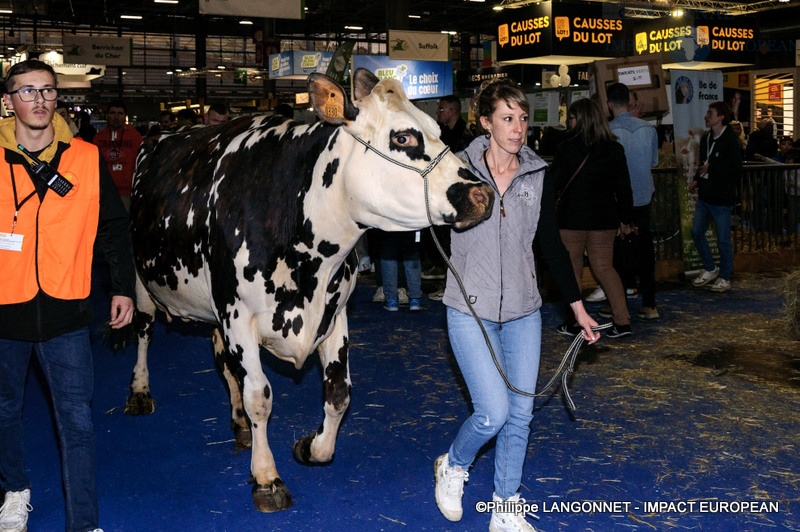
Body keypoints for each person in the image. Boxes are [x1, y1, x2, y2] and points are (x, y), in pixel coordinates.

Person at [434, 78, 598, 532]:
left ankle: (506, 507)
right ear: (485, 123)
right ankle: (453, 464)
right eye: (507, 118)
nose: (518, 127)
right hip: (470, 308)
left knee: (521, 414)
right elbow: (432, 226)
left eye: (523, 118)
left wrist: (576, 306)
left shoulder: (536, 173)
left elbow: (550, 245)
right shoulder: (455, 170)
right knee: (493, 412)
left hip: (525, 311)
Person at [0, 59, 135, 532]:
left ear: (58, 98)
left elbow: (113, 228)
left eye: (48, 91)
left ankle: (84, 524)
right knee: (3, 414)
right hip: (4, 312)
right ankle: (14, 492)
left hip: (68, 311)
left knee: (77, 423)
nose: (39, 101)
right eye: (27, 91)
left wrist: (122, 287)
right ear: (8, 100)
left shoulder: (85, 156)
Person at [552, 98, 634, 338]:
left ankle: (575, 322)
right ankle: (623, 321)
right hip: (604, 219)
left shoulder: (567, 148)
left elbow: (554, 184)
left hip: (572, 219)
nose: (569, 122)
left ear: (581, 119)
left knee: (573, 271)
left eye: (572, 117)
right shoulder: (614, 149)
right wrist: (626, 217)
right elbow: (624, 188)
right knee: (605, 269)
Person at [603, 82, 660, 320]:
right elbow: (654, 162)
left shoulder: (607, 131)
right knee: (645, 249)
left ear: (608, 104)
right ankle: (650, 304)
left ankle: (619, 306)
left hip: (618, 201)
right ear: (629, 101)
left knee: (615, 254)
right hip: (644, 198)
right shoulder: (648, 129)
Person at [425, 95, 475, 300]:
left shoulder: (466, 136)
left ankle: (453, 285)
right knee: (444, 241)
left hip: (459, 196)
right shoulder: (442, 133)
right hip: (443, 193)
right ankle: (447, 279)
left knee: (456, 244)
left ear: (453, 111)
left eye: (441, 109)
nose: (438, 112)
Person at [689, 101, 742, 292]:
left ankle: (725, 277)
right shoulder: (706, 139)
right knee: (696, 232)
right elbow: (705, 163)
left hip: (722, 198)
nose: (706, 116)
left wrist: (714, 167)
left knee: (723, 240)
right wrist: (697, 178)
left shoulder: (730, 141)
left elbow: (735, 169)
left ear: (721, 117)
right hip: (705, 196)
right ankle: (710, 268)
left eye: (710, 113)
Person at [93, 99, 143, 211]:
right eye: (112, 113)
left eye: (120, 113)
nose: (116, 117)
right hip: (104, 192)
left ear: (125, 116)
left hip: (127, 192)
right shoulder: (99, 137)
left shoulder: (135, 136)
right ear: (107, 115)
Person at [380, 231, 422, 312]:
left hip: (390, 223)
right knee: (411, 253)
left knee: (389, 253)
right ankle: (415, 300)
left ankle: (391, 300)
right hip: (410, 223)